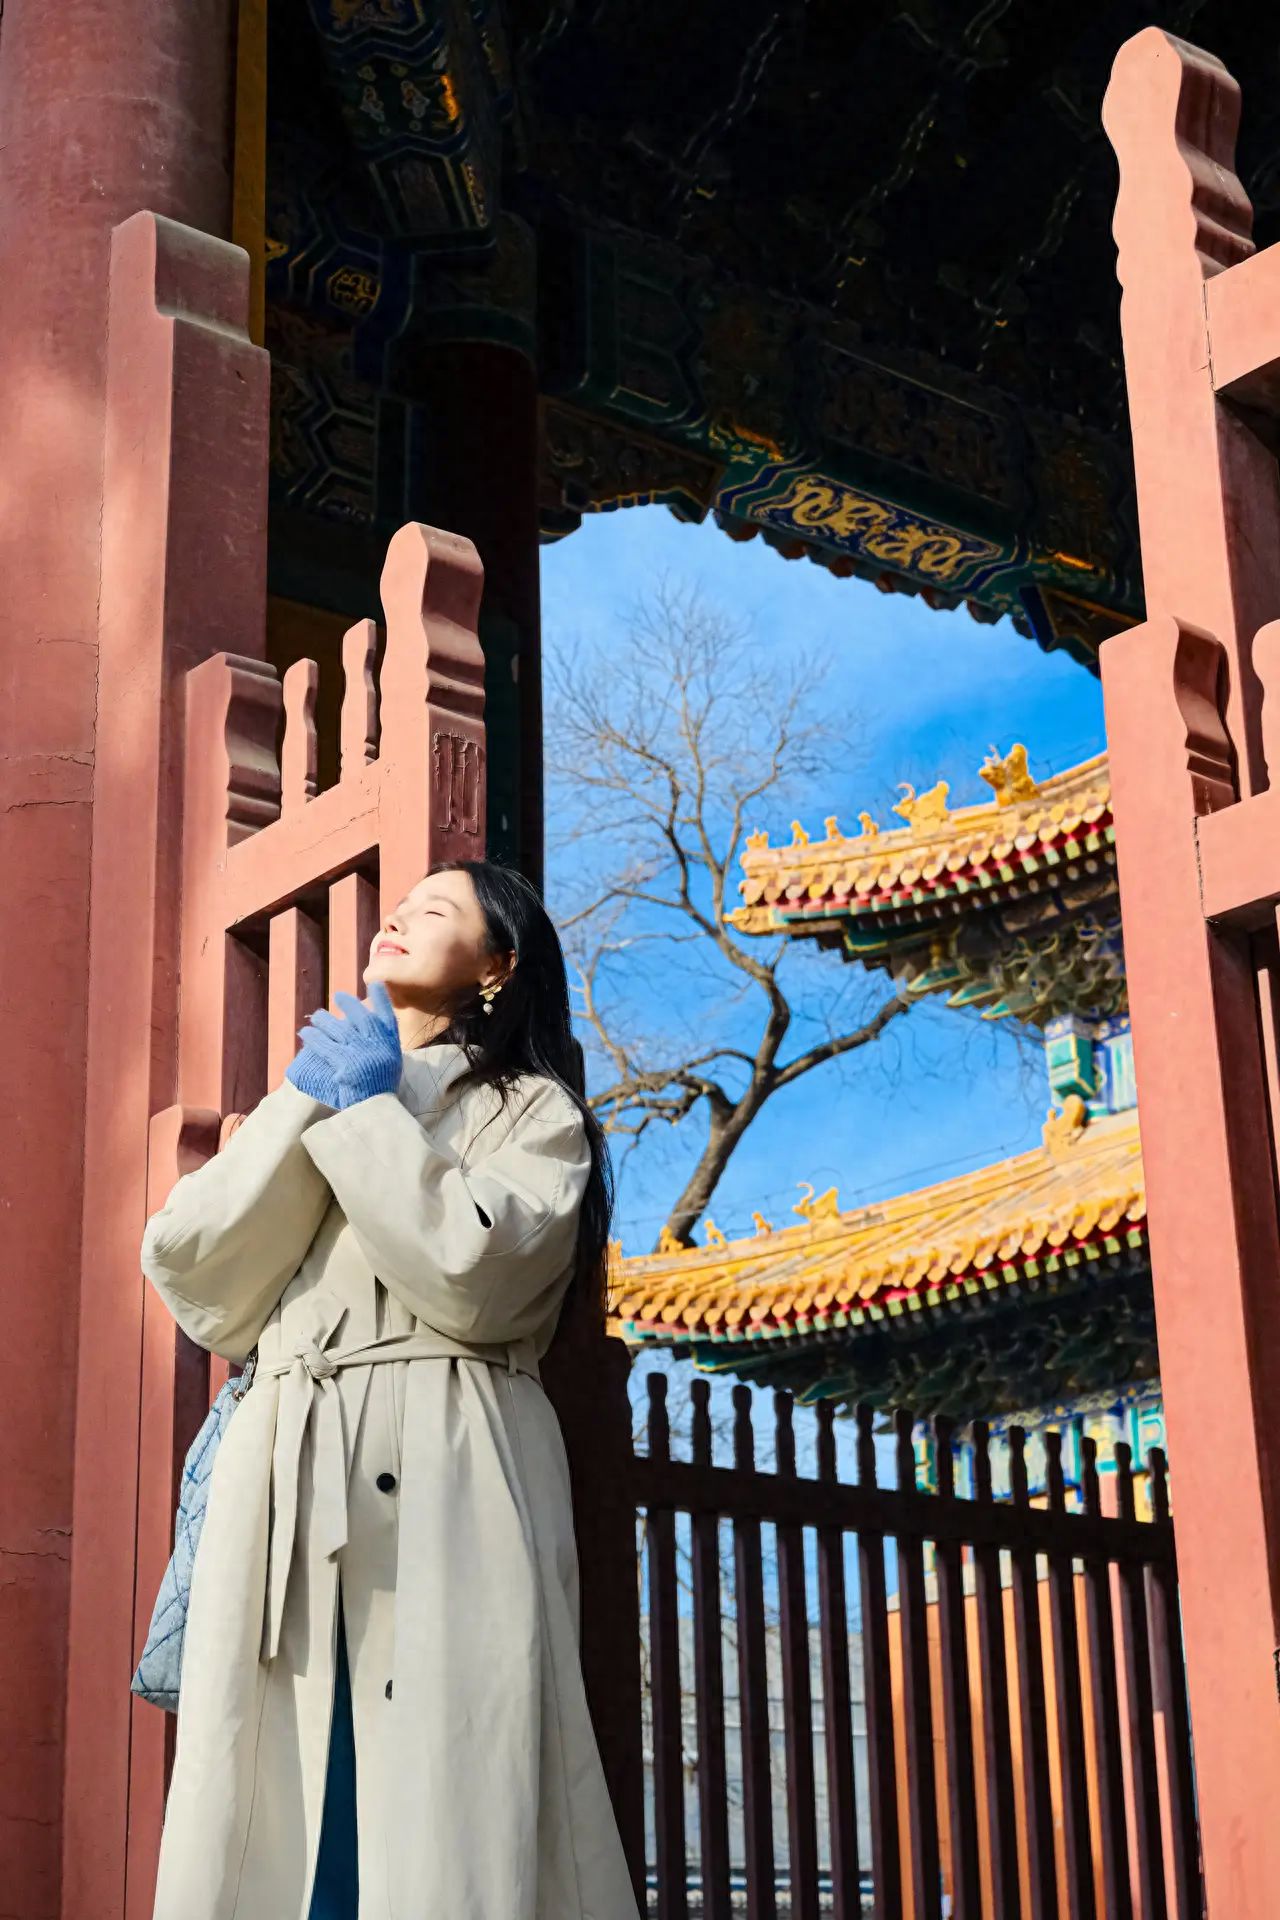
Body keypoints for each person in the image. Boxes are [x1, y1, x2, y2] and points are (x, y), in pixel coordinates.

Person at [139, 860, 642, 1920]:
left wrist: (368, 1111)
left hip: (449, 1466)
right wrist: (314, 1099)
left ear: (497, 966)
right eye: (399, 906)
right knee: (274, 1797)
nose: (401, 917)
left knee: (439, 1806)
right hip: (291, 1464)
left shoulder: (531, 1113)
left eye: (438, 911)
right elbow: (195, 1271)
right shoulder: (320, 1089)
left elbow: (473, 1277)